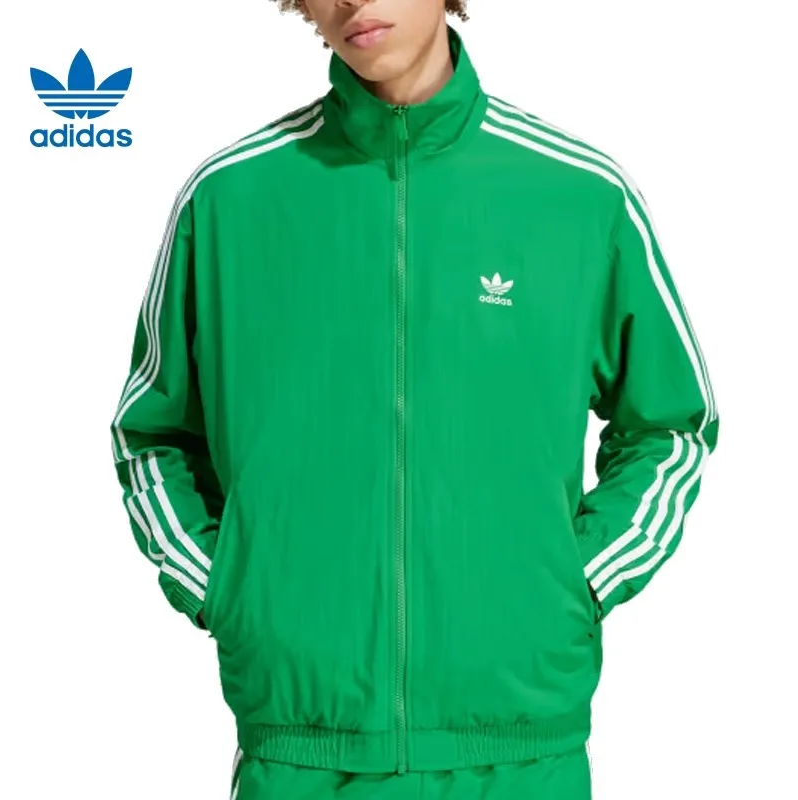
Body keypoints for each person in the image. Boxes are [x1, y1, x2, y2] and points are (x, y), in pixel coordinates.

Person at [109, 1, 720, 797]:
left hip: (521, 752)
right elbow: (150, 433)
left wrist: (575, 583)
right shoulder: (230, 198)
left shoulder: (577, 194)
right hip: (301, 753)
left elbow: (671, 424)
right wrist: (228, 588)